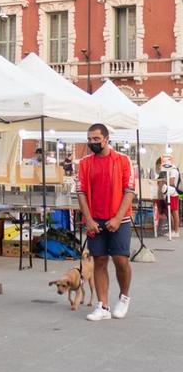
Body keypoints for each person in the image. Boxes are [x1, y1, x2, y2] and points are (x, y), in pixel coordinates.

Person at [77, 123, 134, 322]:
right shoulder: (84, 163)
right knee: (99, 260)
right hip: (95, 219)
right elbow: (81, 192)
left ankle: (124, 297)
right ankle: (103, 305)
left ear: (106, 139)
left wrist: (118, 218)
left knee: (121, 260)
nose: (92, 142)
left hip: (120, 218)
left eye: (96, 139)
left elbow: (129, 191)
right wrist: (89, 219)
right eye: (89, 139)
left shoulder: (122, 160)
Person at [158, 155, 180, 237]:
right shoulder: (172, 170)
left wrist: (163, 180)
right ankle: (174, 230)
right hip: (170, 192)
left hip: (173, 193)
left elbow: (171, 182)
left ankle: (176, 231)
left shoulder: (173, 171)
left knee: (174, 212)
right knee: (172, 211)